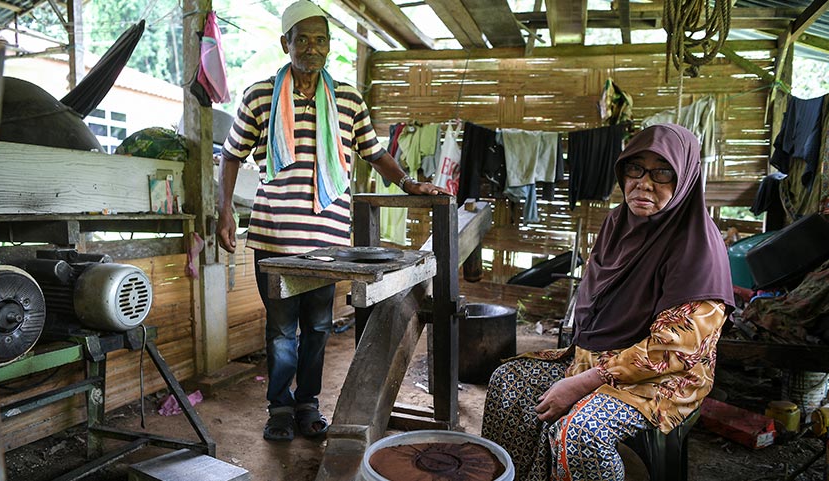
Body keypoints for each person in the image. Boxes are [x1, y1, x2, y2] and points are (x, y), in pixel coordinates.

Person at [216, 0, 446, 442]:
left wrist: (408, 184)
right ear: (286, 43)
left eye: (320, 39)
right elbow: (231, 155)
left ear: (328, 46)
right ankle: (280, 410)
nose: (312, 48)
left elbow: (375, 153)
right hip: (275, 235)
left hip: (325, 239)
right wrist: (224, 210)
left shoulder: (348, 99)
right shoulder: (259, 95)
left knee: (318, 326)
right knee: (282, 329)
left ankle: (308, 405)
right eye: (302, 38)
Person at [482, 123, 735, 480]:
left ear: (685, 179)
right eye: (635, 168)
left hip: (664, 378)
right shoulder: (618, 222)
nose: (644, 183)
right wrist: (583, 369)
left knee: (581, 431)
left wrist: (584, 382)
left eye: (662, 172)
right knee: (509, 383)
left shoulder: (698, 246)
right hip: (593, 358)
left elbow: (677, 349)